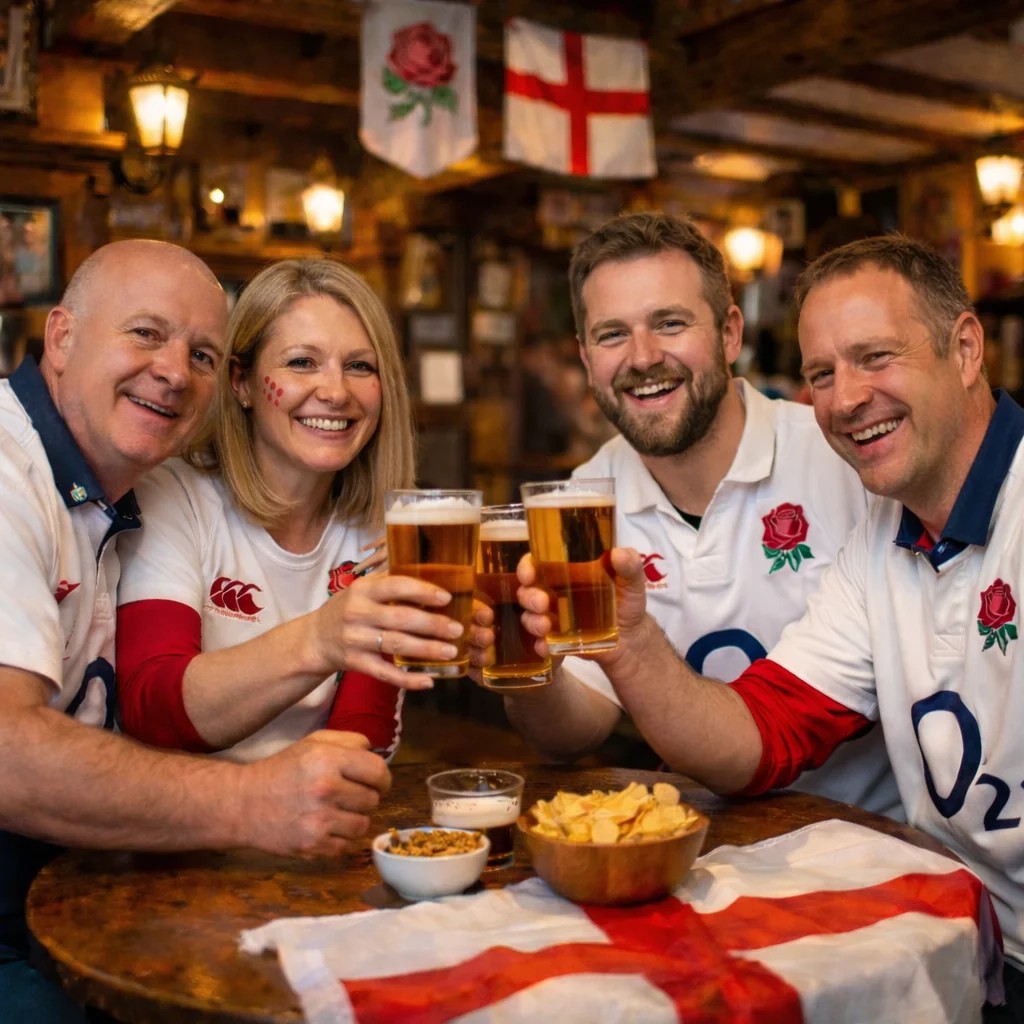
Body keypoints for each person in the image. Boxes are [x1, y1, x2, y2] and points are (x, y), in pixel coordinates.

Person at [510, 234, 1024, 1019]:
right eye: (823, 374)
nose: (847, 398)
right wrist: (628, 642)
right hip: (945, 927)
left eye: (876, 356)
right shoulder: (885, 538)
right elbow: (764, 734)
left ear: (964, 349)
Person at [0, 241, 440, 1021]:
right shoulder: (121, 485)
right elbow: (143, 710)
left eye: (199, 349)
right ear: (61, 337)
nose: (173, 370)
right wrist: (322, 645)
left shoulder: (103, 492)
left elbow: (359, 747)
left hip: (190, 865)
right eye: (145, 334)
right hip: (100, 885)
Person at [499, 212, 900, 818]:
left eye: (669, 323)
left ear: (730, 333)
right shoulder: (581, 502)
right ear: (585, 358)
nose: (642, 357)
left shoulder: (843, 455)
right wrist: (522, 662)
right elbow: (572, 733)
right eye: (612, 335)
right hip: (697, 850)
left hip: (876, 844)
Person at [115, 257, 454, 762]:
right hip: (178, 825)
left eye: (360, 366)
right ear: (242, 382)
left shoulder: (387, 528)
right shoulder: (173, 495)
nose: (336, 392)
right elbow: (152, 709)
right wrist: (320, 638)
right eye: (302, 362)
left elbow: (366, 729)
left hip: (313, 816)